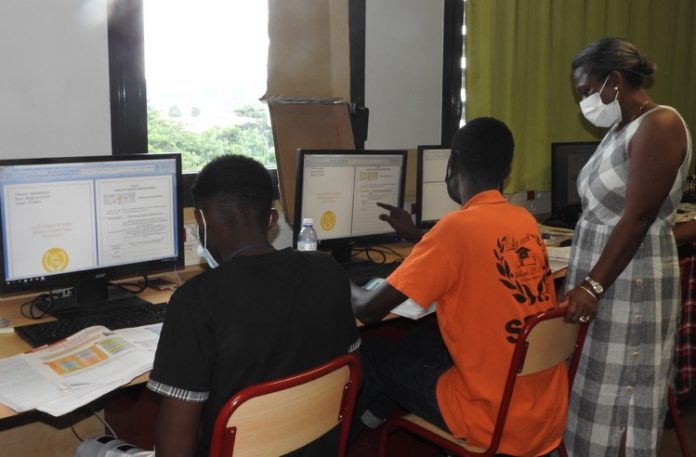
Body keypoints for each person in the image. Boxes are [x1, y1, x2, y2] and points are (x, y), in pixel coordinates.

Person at [351, 117, 567, 456]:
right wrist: (418, 238)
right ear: (506, 170)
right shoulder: (524, 220)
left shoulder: (454, 230)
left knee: (374, 352)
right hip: (541, 411)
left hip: (491, 418)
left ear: (452, 164)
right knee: (421, 339)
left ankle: (351, 442)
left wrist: (334, 275)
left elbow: (367, 309)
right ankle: (376, 416)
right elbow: (473, 254)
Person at [146, 155, 361, 457]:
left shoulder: (196, 300)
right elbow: (352, 370)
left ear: (201, 222)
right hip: (315, 447)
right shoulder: (328, 271)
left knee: (92, 447)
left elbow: (174, 446)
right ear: (272, 219)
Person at [561, 37, 692, 456]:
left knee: (622, 396)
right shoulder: (622, 128)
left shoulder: (661, 124)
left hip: (629, 284)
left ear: (614, 81)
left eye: (586, 91)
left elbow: (637, 218)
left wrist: (593, 285)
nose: (584, 102)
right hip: (608, 279)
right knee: (593, 392)